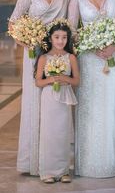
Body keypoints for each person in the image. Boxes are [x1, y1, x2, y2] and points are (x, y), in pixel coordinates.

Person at [68, 0, 115, 178]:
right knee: (90, 110)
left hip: (113, 60)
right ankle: (87, 165)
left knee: (111, 107)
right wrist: (92, 46)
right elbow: (72, 32)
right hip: (88, 61)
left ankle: (111, 163)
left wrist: (113, 47)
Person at [9, 0, 70, 175]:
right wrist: (25, 40)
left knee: (52, 106)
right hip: (34, 54)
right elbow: (14, 22)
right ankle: (31, 162)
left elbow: (67, 27)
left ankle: (51, 161)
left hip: (56, 55)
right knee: (34, 102)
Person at [35, 21, 80, 183]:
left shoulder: (71, 57)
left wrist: (64, 78)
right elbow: (38, 82)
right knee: (49, 133)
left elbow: (76, 81)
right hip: (49, 98)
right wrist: (51, 80)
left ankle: (63, 171)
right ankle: (48, 171)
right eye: (57, 37)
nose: (61, 41)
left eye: (64, 37)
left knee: (63, 133)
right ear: (51, 38)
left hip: (64, 98)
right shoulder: (44, 58)